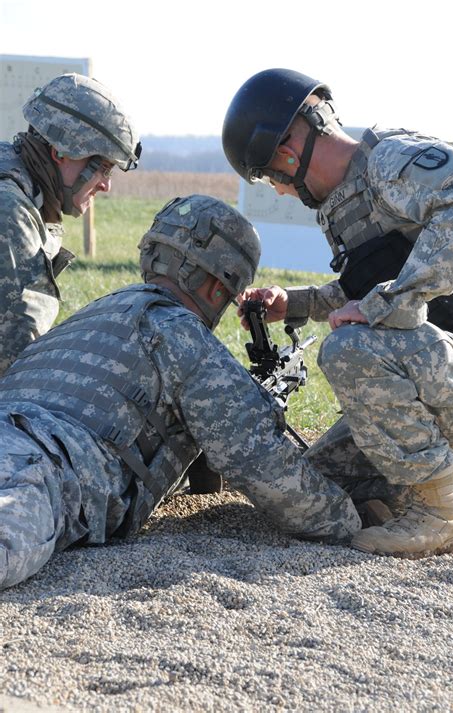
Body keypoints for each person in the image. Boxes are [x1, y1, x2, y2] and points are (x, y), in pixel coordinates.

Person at [0, 194, 361, 590]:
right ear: (214, 286)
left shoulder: (95, 312)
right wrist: (348, 519)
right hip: (40, 469)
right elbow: (269, 472)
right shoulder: (179, 333)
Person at [222, 68, 453, 558]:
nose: (278, 190)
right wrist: (293, 303)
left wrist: (393, 303)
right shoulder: (345, 203)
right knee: (318, 483)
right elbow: (365, 292)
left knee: (350, 348)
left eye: (272, 176)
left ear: (288, 152)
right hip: (446, 378)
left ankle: (444, 514)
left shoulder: (389, 161)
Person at [0, 72, 141, 375]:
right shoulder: (11, 212)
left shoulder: (16, 184)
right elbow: (15, 365)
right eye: (103, 168)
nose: (106, 186)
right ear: (60, 153)